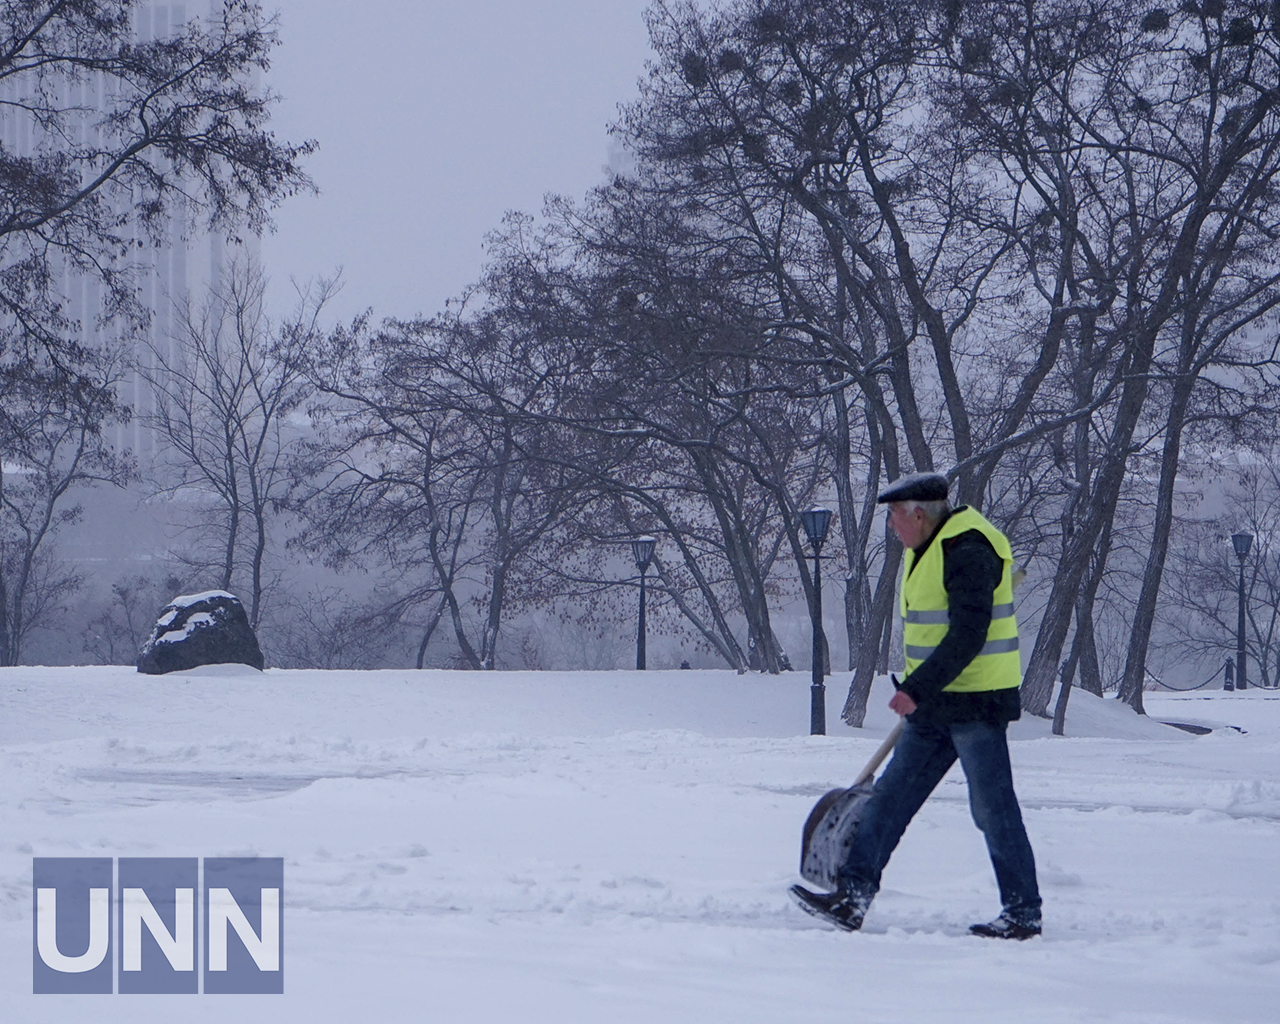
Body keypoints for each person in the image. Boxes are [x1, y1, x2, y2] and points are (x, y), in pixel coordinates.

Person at [791, 471, 1042, 940]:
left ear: (919, 515)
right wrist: (922, 690)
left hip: (975, 704)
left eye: (893, 517)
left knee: (992, 809)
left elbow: (969, 633)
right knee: (889, 800)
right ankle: (852, 897)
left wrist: (917, 688)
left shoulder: (968, 550)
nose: (890, 526)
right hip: (935, 707)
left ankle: (1023, 912)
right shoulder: (925, 548)